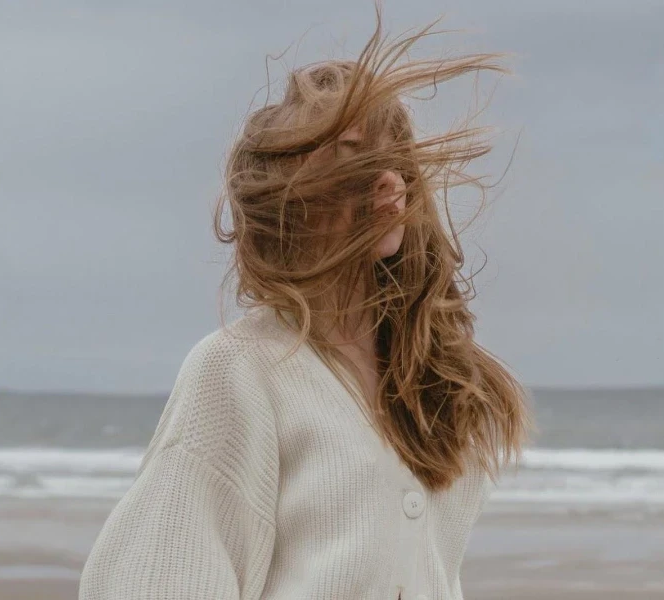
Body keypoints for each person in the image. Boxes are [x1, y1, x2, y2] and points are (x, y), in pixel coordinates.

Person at [78, 6, 533, 600]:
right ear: (288, 190)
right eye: (349, 153)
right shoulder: (239, 370)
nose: (387, 179)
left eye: (392, 158)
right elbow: (156, 580)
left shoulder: (430, 379)